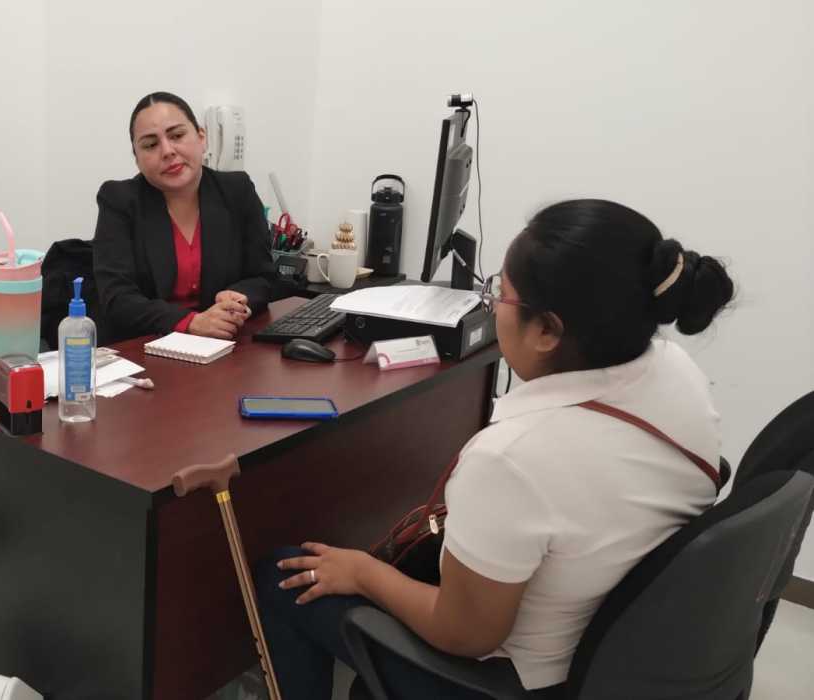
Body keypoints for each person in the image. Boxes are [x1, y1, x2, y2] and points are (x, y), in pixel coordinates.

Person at [255, 199, 736, 698]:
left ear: (547, 330)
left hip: (510, 680)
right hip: (616, 642)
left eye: (501, 294)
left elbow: (463, 634)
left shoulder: (511, 458)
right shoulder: (675, 370)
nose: (491, 305)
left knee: (281, 575)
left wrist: (363, 572)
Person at [93, 91, 275, 341]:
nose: (167, 151)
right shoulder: (119, 200)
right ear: (137, 159)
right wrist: (191, 322)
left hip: (225, 344)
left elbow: (264, 276)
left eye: (177, 135)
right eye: (150, 145)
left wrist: (239, 298)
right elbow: (117, 299)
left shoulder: (237, 190)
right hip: (148, 346)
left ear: (201, 137)